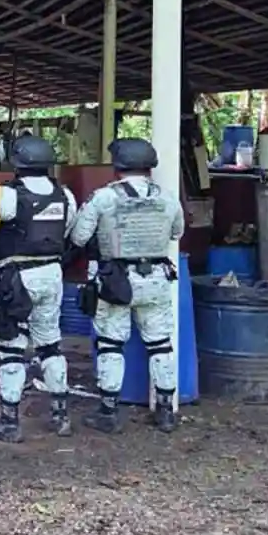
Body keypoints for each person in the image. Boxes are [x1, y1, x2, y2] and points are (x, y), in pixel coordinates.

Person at [69, 137, 185, 434]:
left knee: (110, 344)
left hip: (116, 281)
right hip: (157, 278)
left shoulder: (103, 198)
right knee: (160, 345)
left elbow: (80, 238)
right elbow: (177, 232)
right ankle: (166, 411)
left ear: (118, 165)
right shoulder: (168, 197)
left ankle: (108, 411)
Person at [0, 134, 80, 442]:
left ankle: (10, 421)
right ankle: (61, 415)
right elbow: (68, 233)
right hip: (51, 273)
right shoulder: (65, 195)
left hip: (15, 275)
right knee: (50, 343)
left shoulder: (5, 195)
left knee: (11, 345)